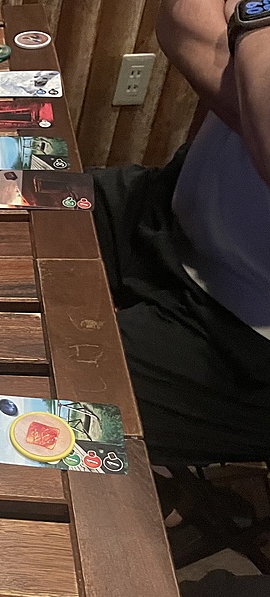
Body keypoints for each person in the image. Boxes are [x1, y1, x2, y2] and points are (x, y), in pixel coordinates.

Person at [89, 0, 270, 463]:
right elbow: (181, 15)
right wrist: (256, 108)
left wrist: (255, 18)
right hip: (164, 209)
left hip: (243, 340)